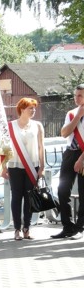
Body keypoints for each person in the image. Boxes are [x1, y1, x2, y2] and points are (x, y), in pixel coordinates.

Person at [2, 98, 45, 240]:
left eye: (34, 108)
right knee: (16, 196)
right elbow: (4, 148)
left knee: (29, 197)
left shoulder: (37, 125)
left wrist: (42, 167)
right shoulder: (10, 126)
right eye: (30, 108)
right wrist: (3, 167)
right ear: (21, 109)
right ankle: (16, 229)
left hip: (32, 166)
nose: (33, 111)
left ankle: (27, 228)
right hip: (15, 165)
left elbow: (41, 147)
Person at [52, 84, 84, 239]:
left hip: (83, 154)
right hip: (70, 153)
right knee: (62, 191)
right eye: (75, 95)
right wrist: (78, 116)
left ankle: (80, 228)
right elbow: (64, 133)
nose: (77, 98)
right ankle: (67, 227)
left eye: (80, 96)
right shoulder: (71, 114)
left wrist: (81, 159)